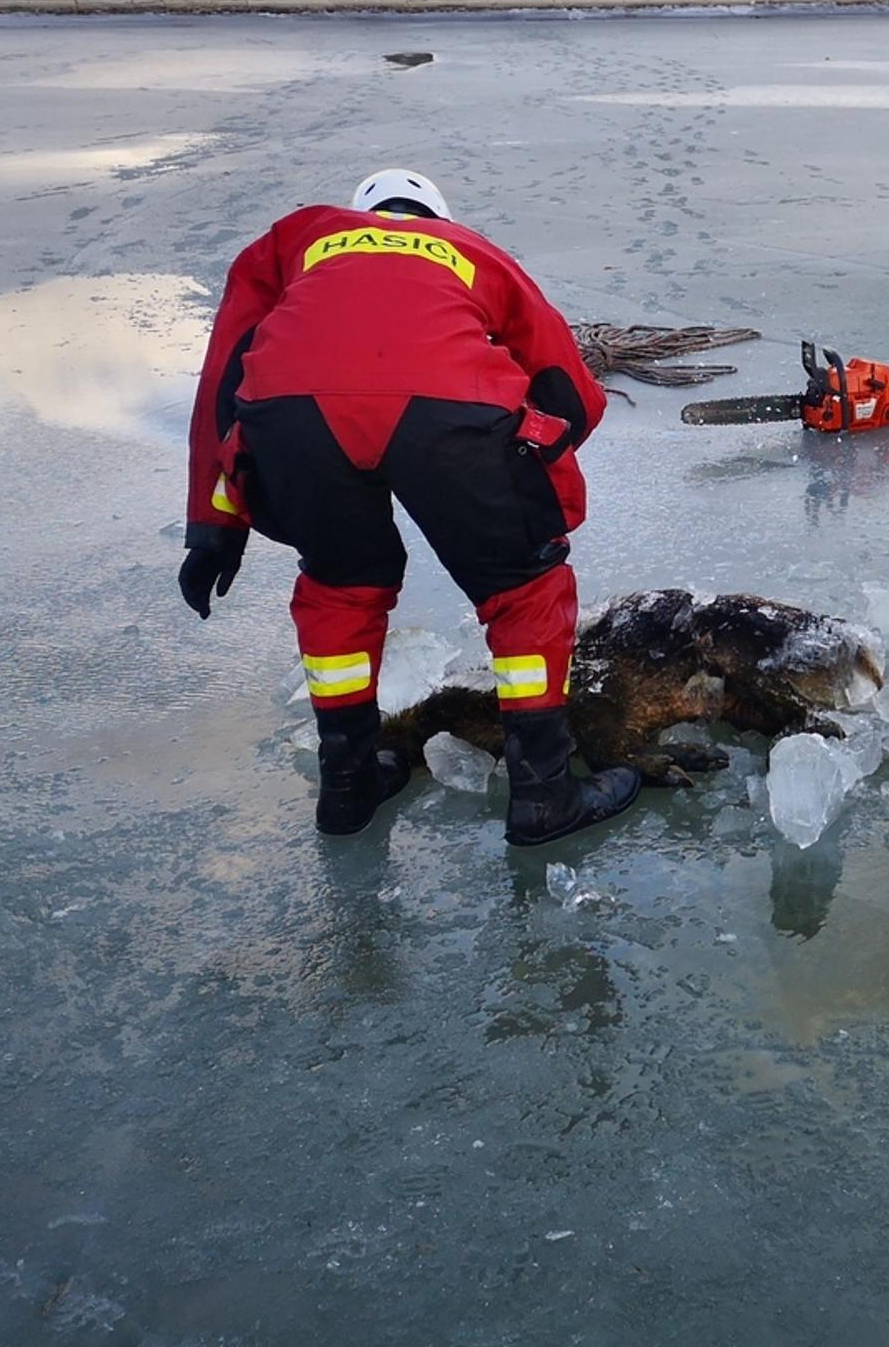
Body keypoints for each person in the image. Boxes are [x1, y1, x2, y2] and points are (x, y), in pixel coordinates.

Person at [181, 167, 639, 846]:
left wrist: (212, 525)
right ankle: (544, 794)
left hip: (292, 412)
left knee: (341, 585)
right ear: (435, 216)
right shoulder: (474, 250)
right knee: (523, 587)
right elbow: (571, 390)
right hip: (449, 409)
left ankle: (348, 786)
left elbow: (224, 378)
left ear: (361, 212)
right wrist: (525, 470)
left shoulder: (297, 237)